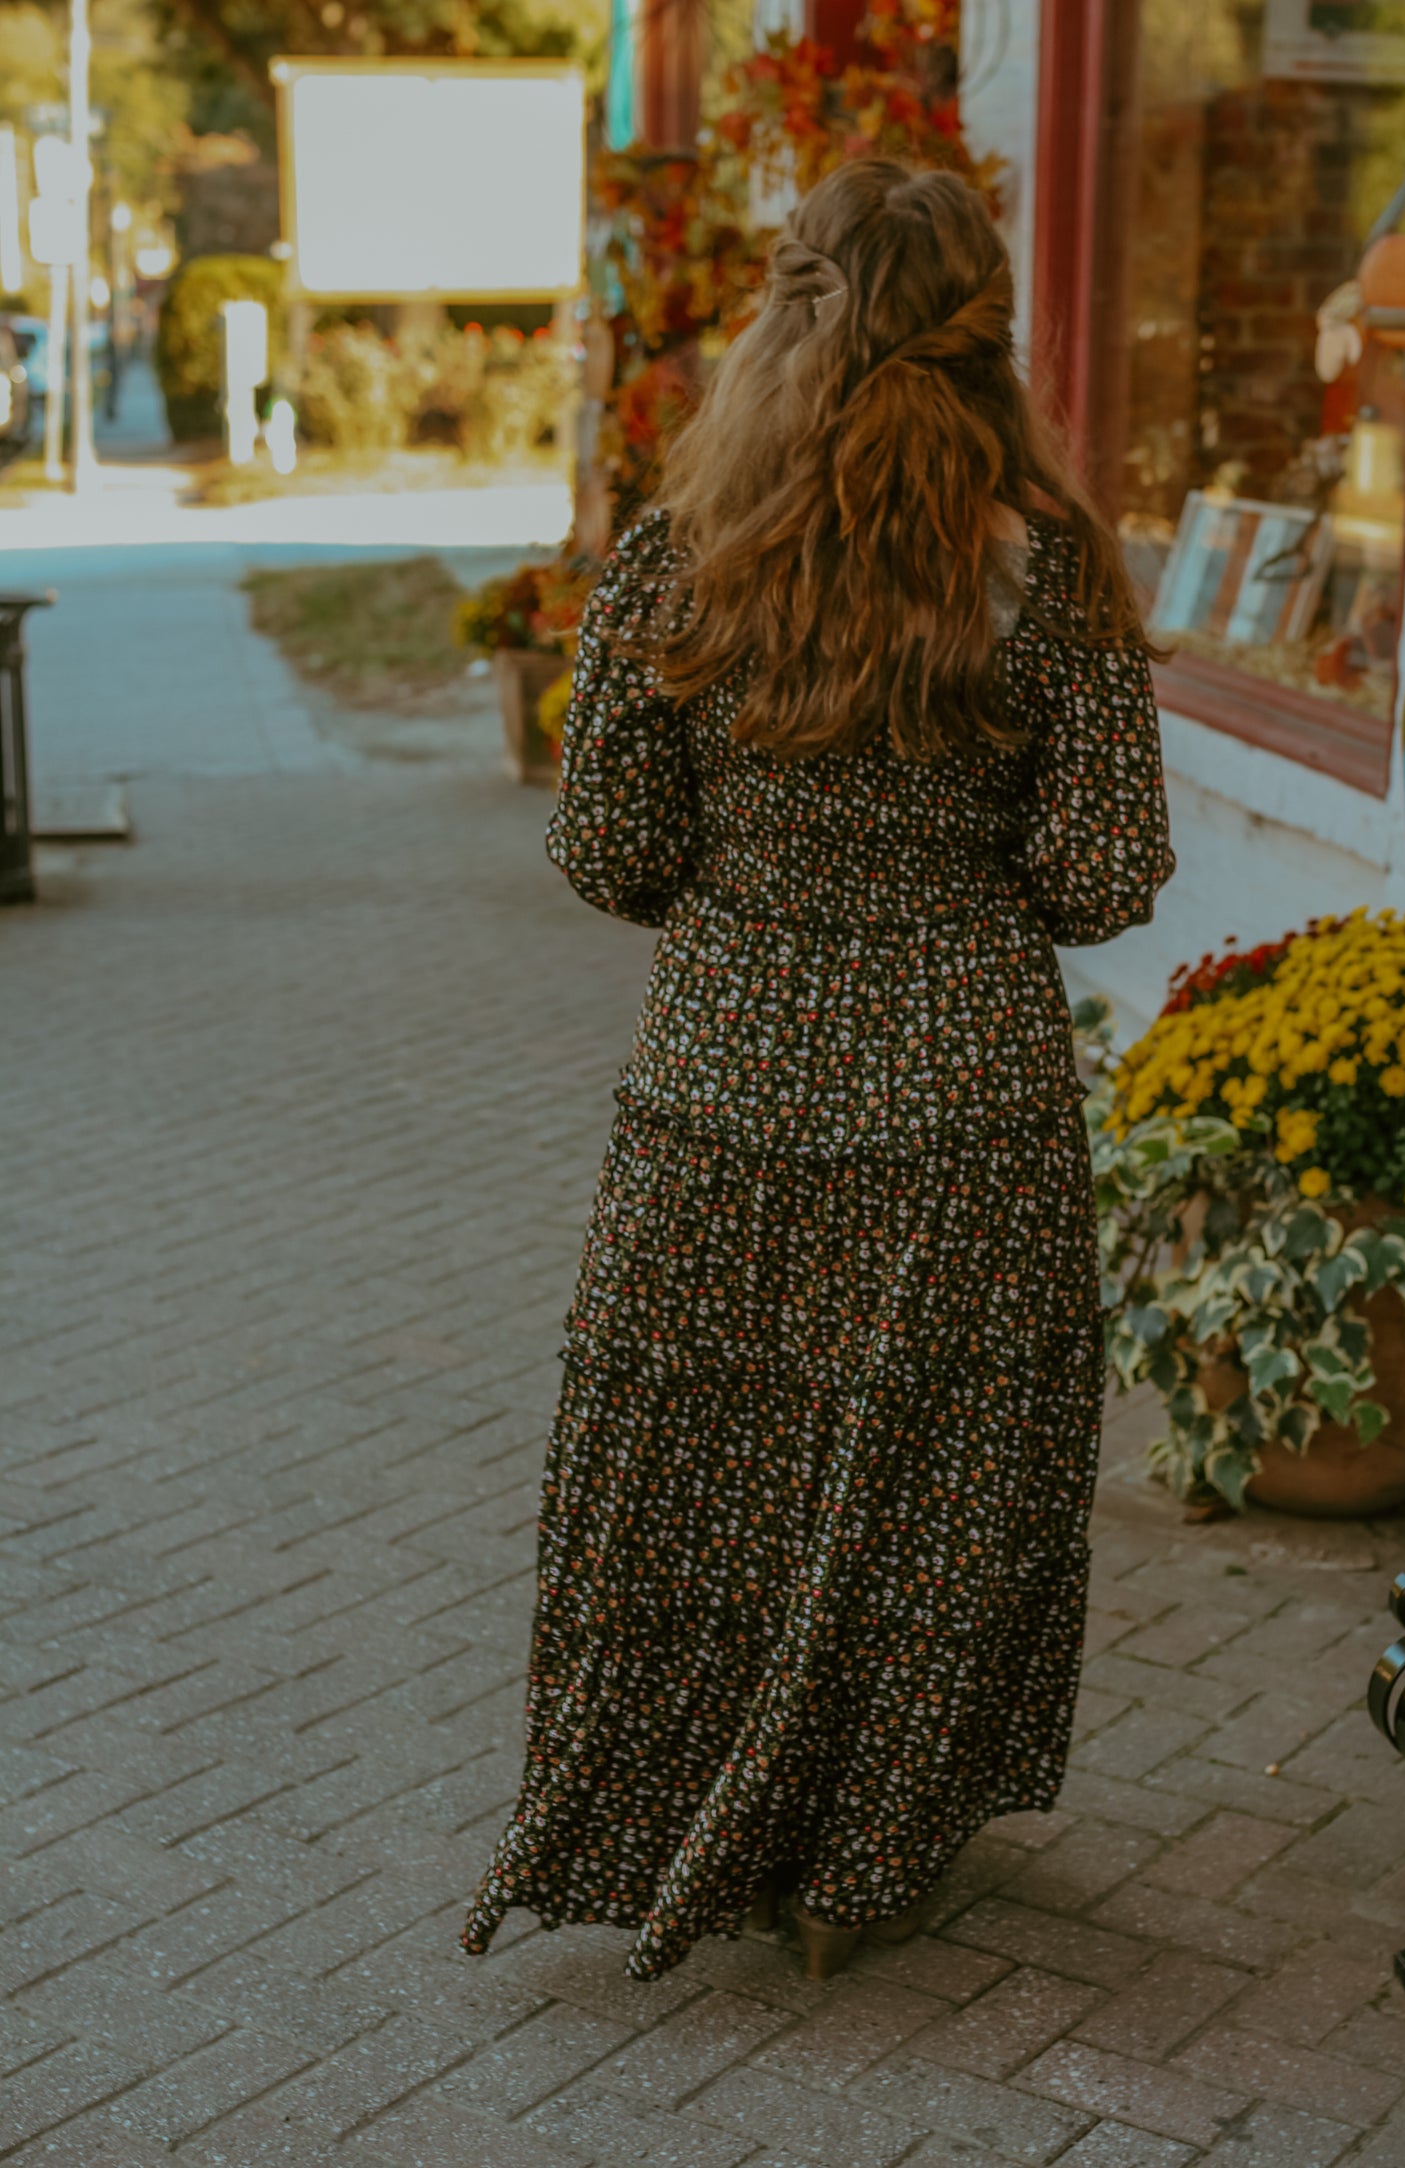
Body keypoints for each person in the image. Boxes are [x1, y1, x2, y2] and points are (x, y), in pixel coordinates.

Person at [461, 157, 1175, 1985]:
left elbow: (605, 844)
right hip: (964, 1101)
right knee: (937, 1487)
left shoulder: (669, 556)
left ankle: (678, 1814)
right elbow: (1104, 877)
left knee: (703, 1465)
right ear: (987, 332)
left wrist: (762, 892)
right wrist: (951, 879)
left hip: (722, 1087)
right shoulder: (1054, 572)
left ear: (784, 316)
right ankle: (863, 1853)